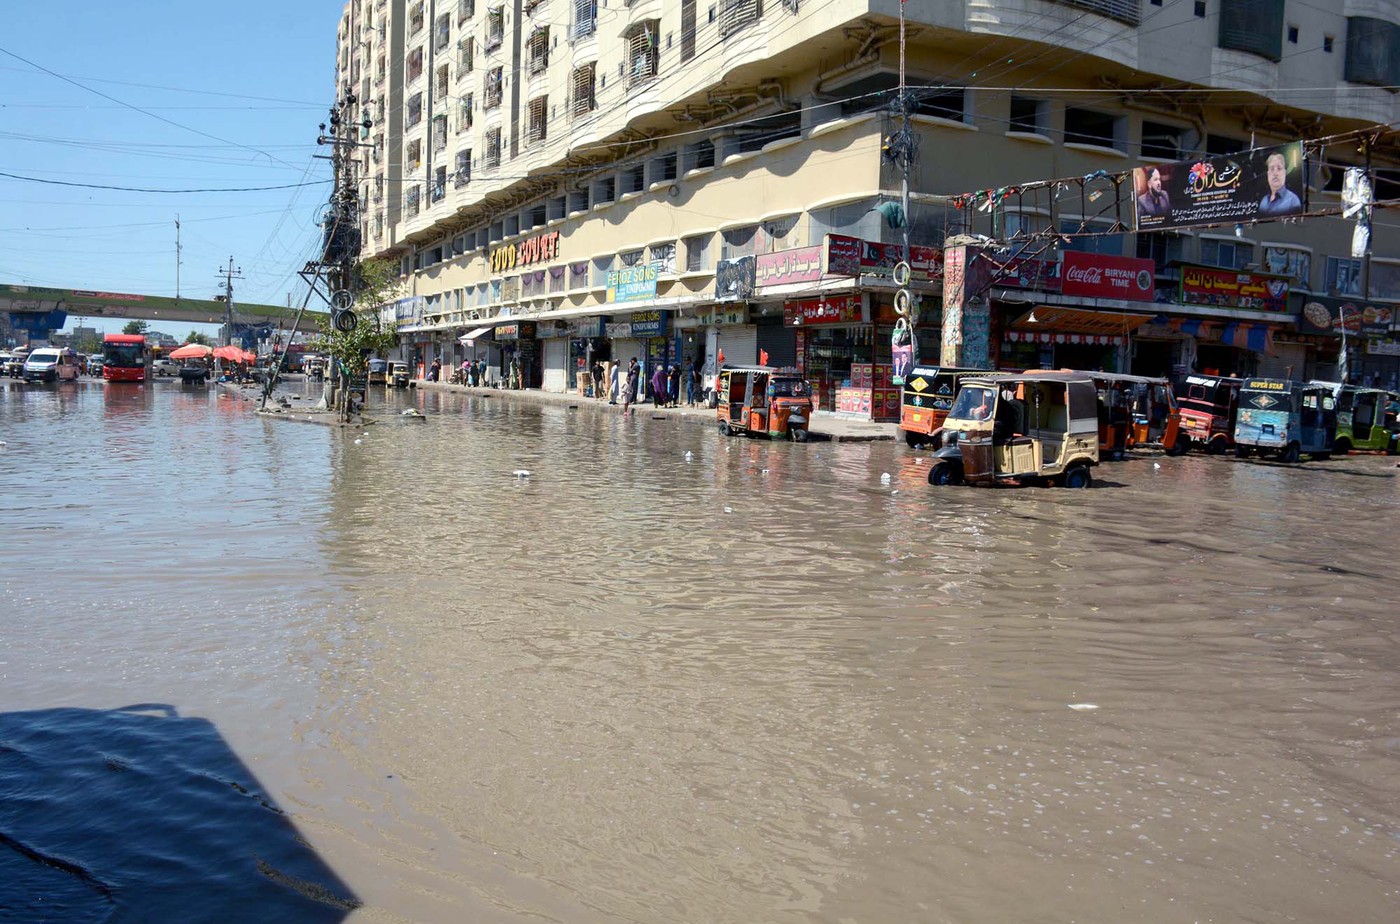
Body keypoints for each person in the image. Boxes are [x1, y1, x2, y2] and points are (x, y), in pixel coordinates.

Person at [1259, 151, 1301, 216]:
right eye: (1272, 169)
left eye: (1279, 168)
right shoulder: (1264, 201)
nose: (1275, 173)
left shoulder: (1293, 201)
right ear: (1268, 174)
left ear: (1284, 173)